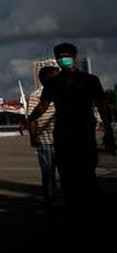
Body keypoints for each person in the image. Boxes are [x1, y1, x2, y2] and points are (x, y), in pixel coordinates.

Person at [27, 42, 114, 213]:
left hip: (85, 134)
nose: (62, 60)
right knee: (67, 177)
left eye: (65, 56)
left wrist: (108, 132)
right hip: (63, 135)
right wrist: (31, 118)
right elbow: (43, 105)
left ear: (74, 57)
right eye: (59, 57)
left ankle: (90, 205)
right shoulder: (54, 83)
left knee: (87, 174)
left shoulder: (90, 81)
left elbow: (103, 106)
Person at [27, 65, 61, 205]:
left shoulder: (63, 91)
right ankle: (50, 199)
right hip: (46, 139)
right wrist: (33, 136)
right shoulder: (36, 95)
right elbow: (32, 117)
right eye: (55, 76)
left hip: (64, 138)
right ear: (45, 79)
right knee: (48, 173)